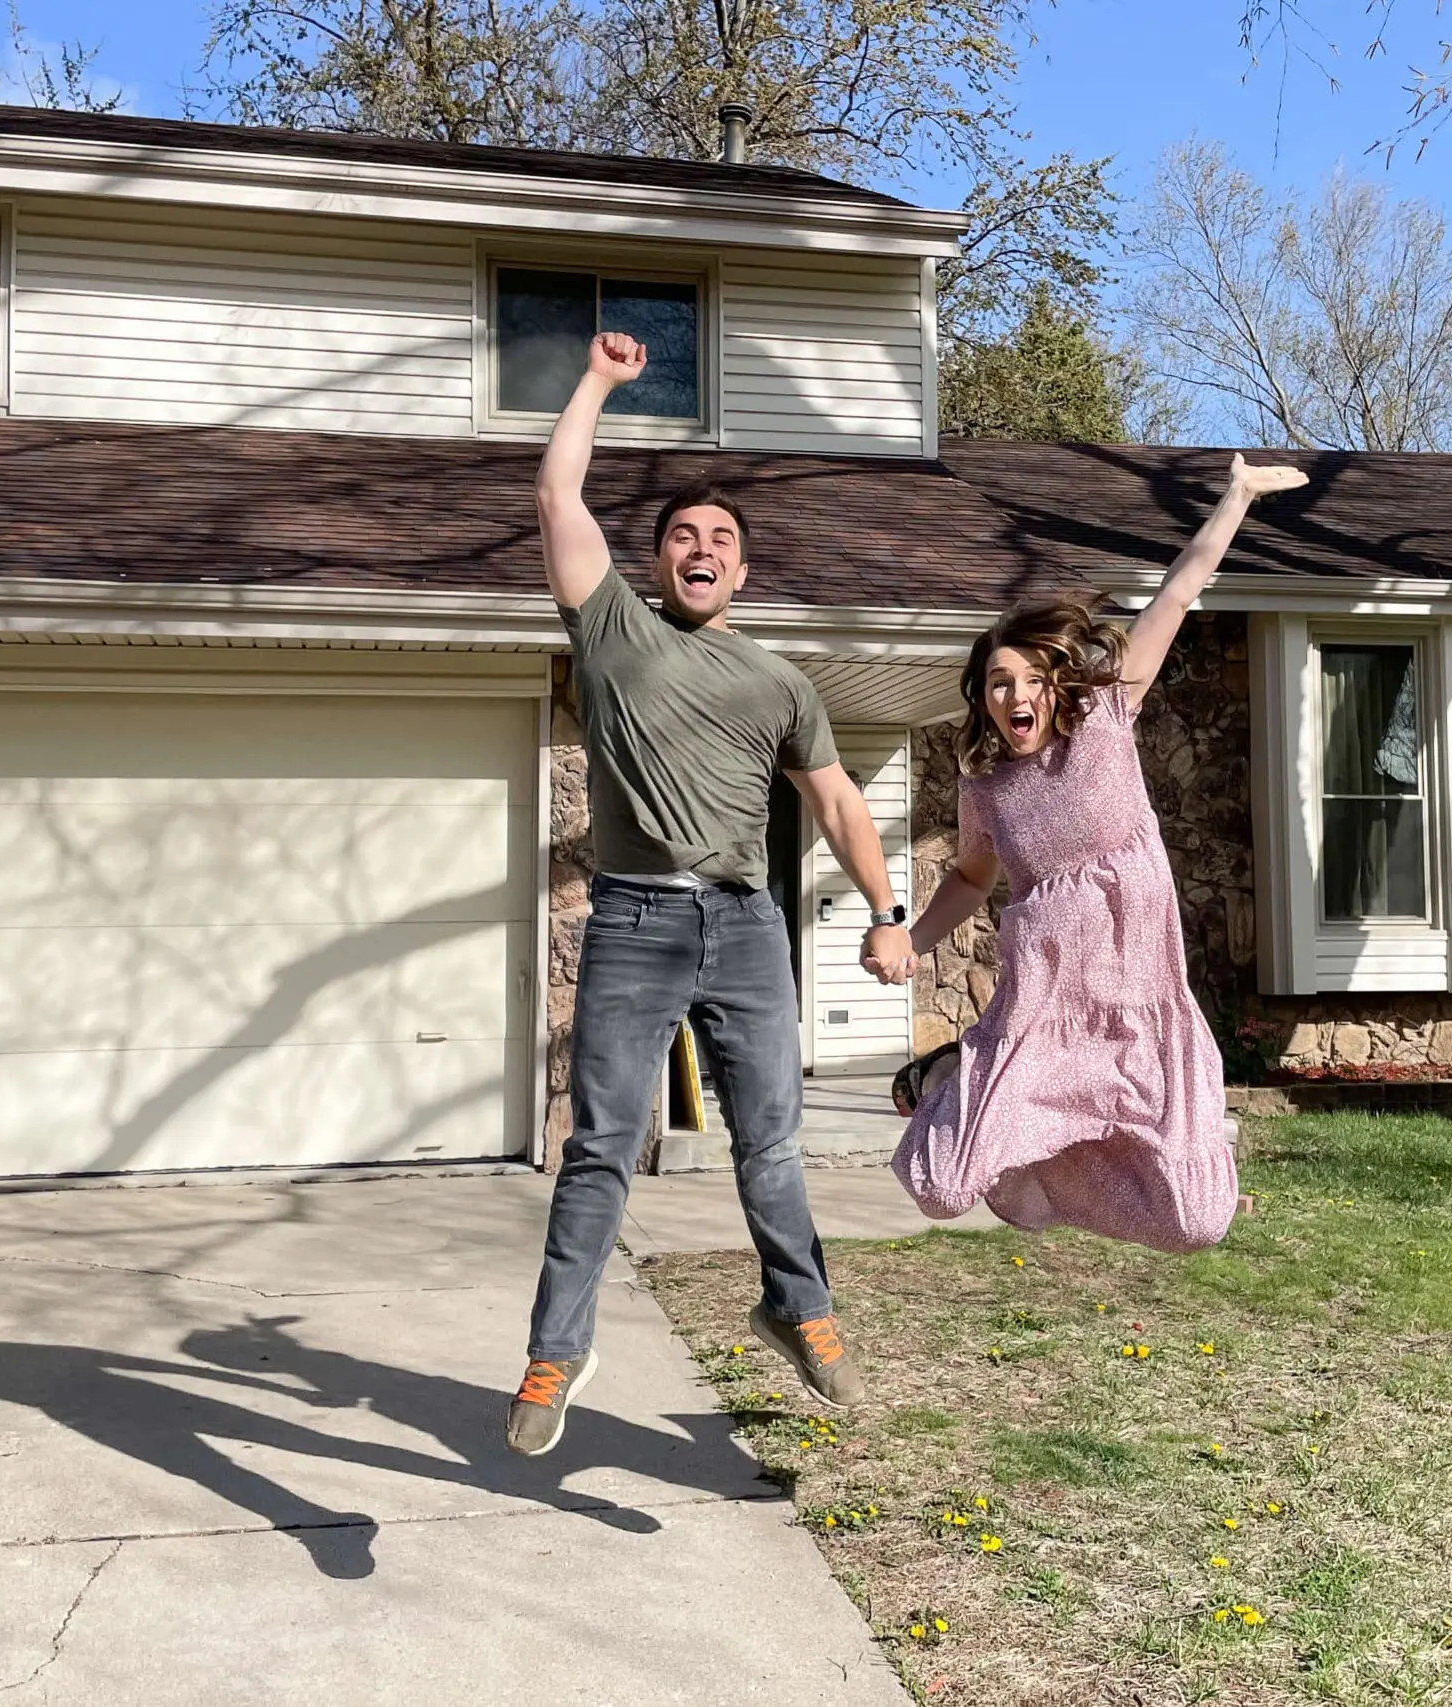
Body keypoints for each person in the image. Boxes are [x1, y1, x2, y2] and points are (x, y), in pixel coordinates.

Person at [510, 330, 916, 1457]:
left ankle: (798, 1307)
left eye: (721, 540)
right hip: (634, 918)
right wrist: (596, 380)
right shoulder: (611, 630)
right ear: (656, 564)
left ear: (743, 571)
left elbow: (836, 802)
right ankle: (556, 1352)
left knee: (769, 1142)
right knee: (600, 1143)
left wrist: (887, 917)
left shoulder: (780, 680)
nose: (702, 548)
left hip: (742, 925)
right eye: (683, 536)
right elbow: (554, 493)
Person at [887, 453, 1308, 1253]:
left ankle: (1146, 1165)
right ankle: (944, 1076)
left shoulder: (1109, 724)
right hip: (1043, 1015)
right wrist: (912, 939)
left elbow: (1179, 590)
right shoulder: (989, 791)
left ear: (1059, 682)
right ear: (982, 697)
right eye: (997, 683)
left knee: (1198, 1221)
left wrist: (1237, 498)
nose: (1014, 696)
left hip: (1143, 1009)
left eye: (1029, 679)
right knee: (943, 1186)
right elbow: (974, 876)